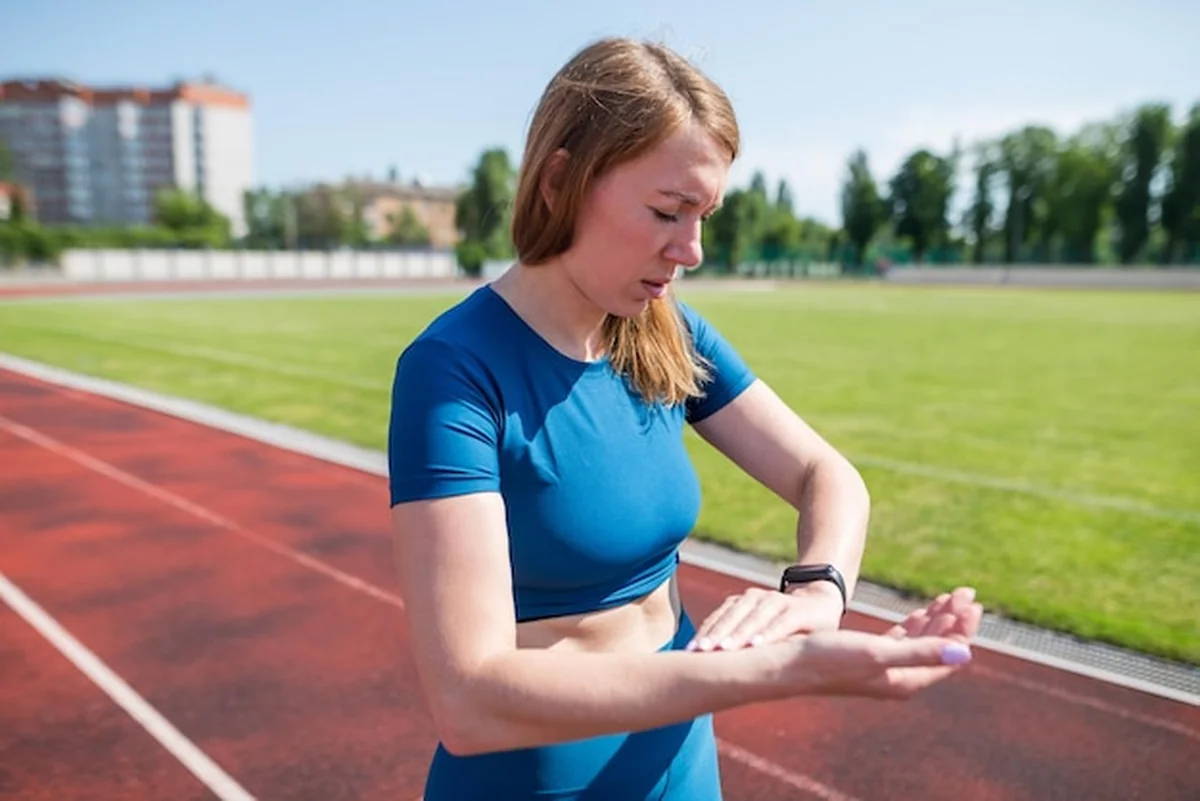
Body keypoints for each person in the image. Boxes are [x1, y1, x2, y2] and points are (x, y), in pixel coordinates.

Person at [387, 36, 983, 801]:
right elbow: (470, 702)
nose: (693, 250)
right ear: (560, 181)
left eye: (704, 214)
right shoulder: (454, 369)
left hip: (683, 766)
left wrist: (817, 595)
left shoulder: (665, 330)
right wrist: (772, 669)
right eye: (669, 211)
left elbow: (826, 474)